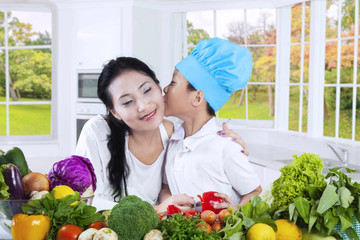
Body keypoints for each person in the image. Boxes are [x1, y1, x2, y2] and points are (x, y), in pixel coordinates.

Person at [75, 57, 247, 214]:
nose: (143, 106)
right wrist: (157, 209)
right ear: (115, 112)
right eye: (127, 102)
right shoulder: (97, 132)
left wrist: (232, 146)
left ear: (159, 86)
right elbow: (81, 203)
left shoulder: (179, 138)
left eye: (147, 90)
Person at [162, 37, 262, 210]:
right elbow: (166, 188)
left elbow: (255, 192)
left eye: (173, 82)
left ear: (197, 97)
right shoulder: (173, 140)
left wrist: (235, 212)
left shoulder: (226, 146)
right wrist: (170, 205)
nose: (165, 89)